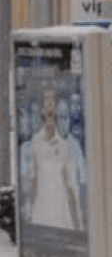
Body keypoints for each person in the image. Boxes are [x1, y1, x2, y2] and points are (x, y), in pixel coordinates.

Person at [23, 88, 83, 232]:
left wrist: (76, 219)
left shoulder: (64, 145)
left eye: (52, 102)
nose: (49, 107)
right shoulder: (35, 143)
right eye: (46, 102)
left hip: (61, 212)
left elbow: (70, 184)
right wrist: (29, 211)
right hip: (41, 211)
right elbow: (33, 180)